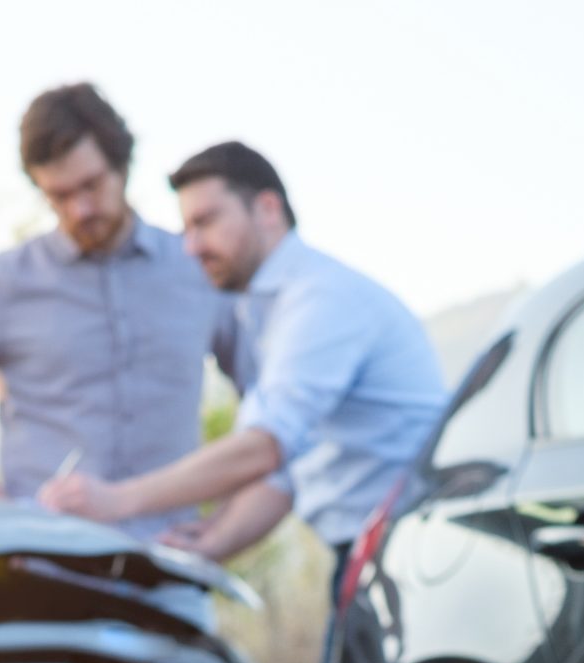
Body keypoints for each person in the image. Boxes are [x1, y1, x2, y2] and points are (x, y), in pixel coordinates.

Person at [39, 141, 446, 574]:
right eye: (186, 230)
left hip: (413, 549)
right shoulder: (268, 310)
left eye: (205, 222)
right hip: (375, 549)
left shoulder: (321, 300)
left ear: (267, 209)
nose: (191, 247)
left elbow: (263, 449)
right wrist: (213, 538)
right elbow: (287, 470)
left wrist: (116, 500)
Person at [0, 83, 224, 540]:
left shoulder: (198, 267)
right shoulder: (7, 281)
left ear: (122, 167)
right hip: (44, 563)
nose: (80, 209)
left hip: (169, 567)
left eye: (91, 185)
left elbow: (271, 411)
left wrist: (222, 531)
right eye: (59, 196)